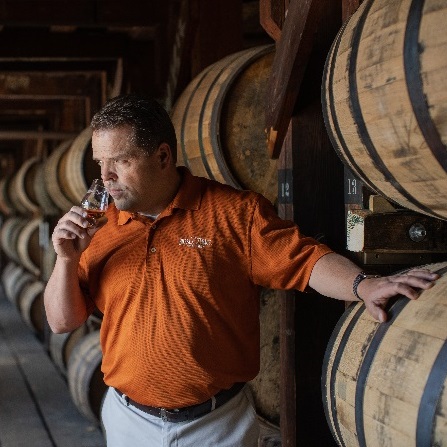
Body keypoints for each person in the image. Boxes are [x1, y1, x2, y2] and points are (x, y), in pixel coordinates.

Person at [44, 94, 439, 447]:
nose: (106, 178)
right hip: (129, 421)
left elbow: (303, 259)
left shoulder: (233, 213)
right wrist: (64, 258)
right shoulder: (96, 229)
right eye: (101, 163)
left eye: (121, 161)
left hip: (217, 426)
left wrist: (364, 285)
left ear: (163, 157)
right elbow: (62, 321)